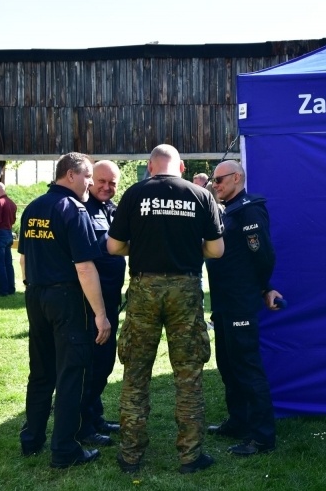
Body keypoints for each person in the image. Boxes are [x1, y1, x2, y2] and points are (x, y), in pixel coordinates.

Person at [107, 144, 224, 475]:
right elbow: (217, 249)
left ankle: (130, 455)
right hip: (185, 289)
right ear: (182, 167)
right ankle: (190, 455)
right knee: (189, 374)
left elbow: (113, 246)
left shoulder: (134, 194)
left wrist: (140, 246)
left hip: (144, 288)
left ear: (150, 166)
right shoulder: (201, 197)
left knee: (135, 373)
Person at [18, 152, 112, 469]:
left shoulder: (33, 208)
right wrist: (100, 314)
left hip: (36, 295)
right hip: (67, 300)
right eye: (87, 176)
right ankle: (64, 450)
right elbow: (85, 268)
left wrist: (35, 287)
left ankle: (31, 439)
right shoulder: (74, 209)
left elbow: (23, 259)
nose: (89, 182)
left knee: (41, 371)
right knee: (72, 373)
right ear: (70, 175)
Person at [205, 160, 284, 456]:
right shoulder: (228, 209)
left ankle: (262, 437)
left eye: (220, 179)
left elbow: (263, 254)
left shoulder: (249, 209)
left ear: (237, 177)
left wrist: (263, 287)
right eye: (214, 180)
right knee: (227, 365)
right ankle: (238, 422)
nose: (216, 184)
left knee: (247, 367)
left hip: (240, 302)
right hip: (224, 303)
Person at [76, 160, 127, 444]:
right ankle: (83, 426)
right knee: (91, 365)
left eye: (112, 183)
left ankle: (95, 416)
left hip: (110, 298)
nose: (107, 187)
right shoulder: (82, 209)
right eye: (101, 181)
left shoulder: (112, 209)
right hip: (90, 303)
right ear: (90, 180)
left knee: (104, 363)